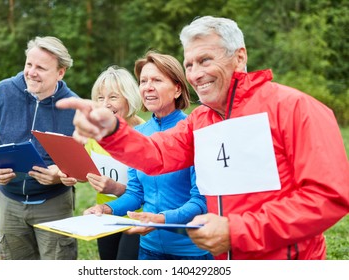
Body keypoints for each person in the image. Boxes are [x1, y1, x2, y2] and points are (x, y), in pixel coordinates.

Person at [56, 16, 349, 260]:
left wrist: (236, 231)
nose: (195, 74)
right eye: (190, 64)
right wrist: (112, 130)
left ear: (240, 57)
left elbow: (329, 196)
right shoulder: (202, 120)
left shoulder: (296, 108)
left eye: (205, 60)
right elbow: (156, 154)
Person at [85, 51, 212, 260]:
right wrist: (106, 208)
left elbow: (200, 201)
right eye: (143, 81)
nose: (148, 87)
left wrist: (160, 219)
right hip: (148, 250)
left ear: (177, 89)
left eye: (157, 80)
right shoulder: (139, 135)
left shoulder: (194, 131)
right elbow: (136, 194)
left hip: (190, 252)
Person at [0, 36, 78, 260]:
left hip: (54, 205)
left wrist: (59, 175)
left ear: (61, 72)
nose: (31, 72)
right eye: (29, 64)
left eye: (41, 67)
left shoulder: (74, 107)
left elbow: (79, 162)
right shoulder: (2, 92)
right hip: (9, 202)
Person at [59, 65, 144, 260]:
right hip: (103, 215)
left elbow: (153, 189)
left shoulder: (145, 133)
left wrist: (117, 188)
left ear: (129, 98)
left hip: (138, 218)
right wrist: (69, 175)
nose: (105, 104)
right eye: (100, 98)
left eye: (113, 97)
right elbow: (83, 170)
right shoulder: (94, 133)